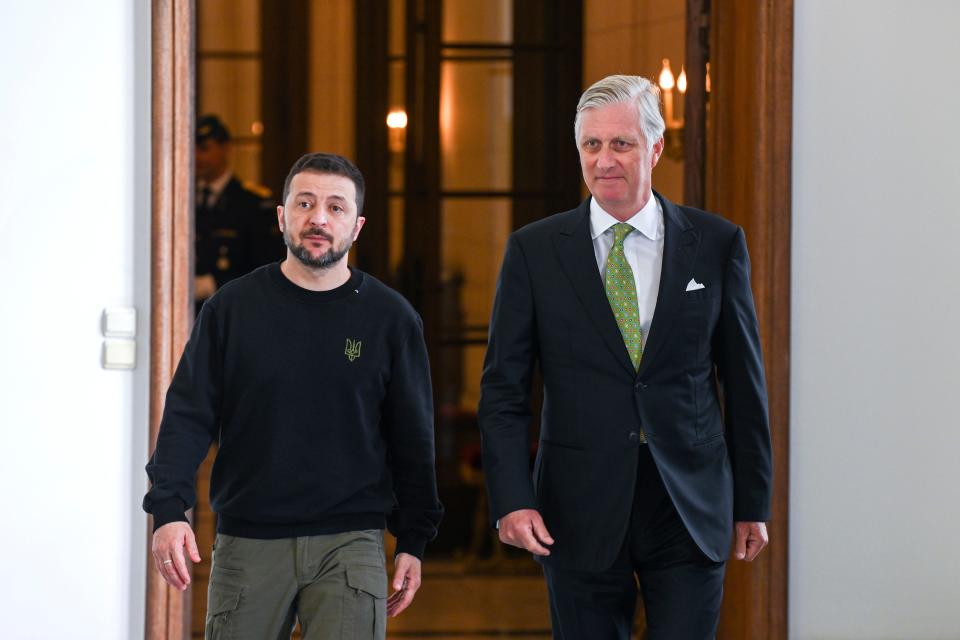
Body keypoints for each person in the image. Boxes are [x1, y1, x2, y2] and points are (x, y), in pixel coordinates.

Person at [478, 74, 773, 639]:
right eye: (592, 144)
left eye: (622, 143)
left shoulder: (716, 244)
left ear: (655, 148)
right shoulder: (534, 252)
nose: (605, 160)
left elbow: (744, 382)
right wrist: (512, 500)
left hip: (689, 503)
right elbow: (503, 393)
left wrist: (752, 501)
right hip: (576, 506)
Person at [144, 152, 443, 639]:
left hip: (351, 542)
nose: (319, 218)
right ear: (282, 217)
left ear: (357, 225)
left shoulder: (391, 319)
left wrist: (414, 538)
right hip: (249, 539)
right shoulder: (231, 309)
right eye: (304, 203)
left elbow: (413, 437)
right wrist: (168, 511)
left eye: (336, 207)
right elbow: (187, 415)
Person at [194, 114, 284, 307]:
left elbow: (265, 269)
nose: (197, 157)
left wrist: (212, 284)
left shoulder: (252, 204)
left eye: (204, 149)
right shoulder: (185, 199)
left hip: (232, 308)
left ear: (225, 148)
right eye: (192, 149)